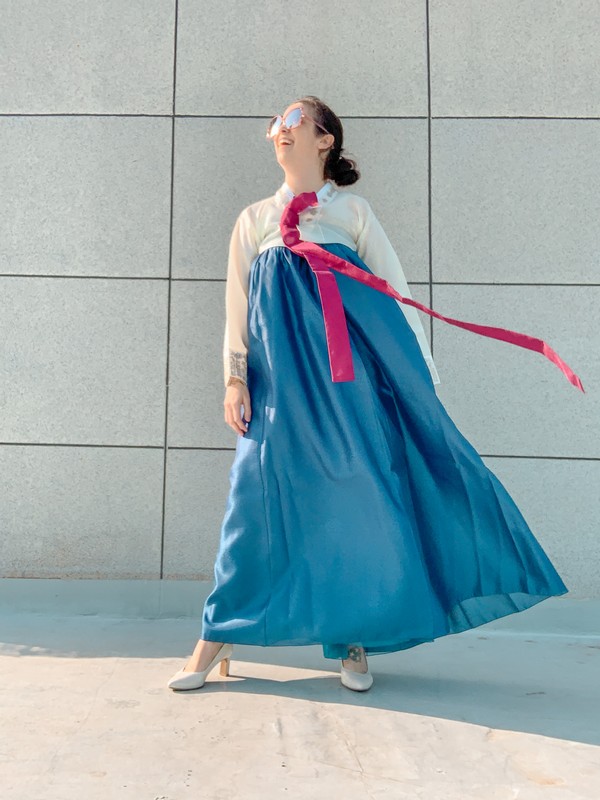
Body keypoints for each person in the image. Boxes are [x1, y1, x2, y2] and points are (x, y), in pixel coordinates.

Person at [167, 95, 572, 693]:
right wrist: (234, 378)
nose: (281, 129)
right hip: (279, 387)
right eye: (277, 122)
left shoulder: (352, 212)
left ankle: (353, 636)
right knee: (258, 501)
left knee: (357, 498)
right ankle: (218, 632)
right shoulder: (254, 220)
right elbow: (236, 308)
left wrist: (422, 379)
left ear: (326, 139)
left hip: (346, 386)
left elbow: (396, 294)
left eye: (295, 119)